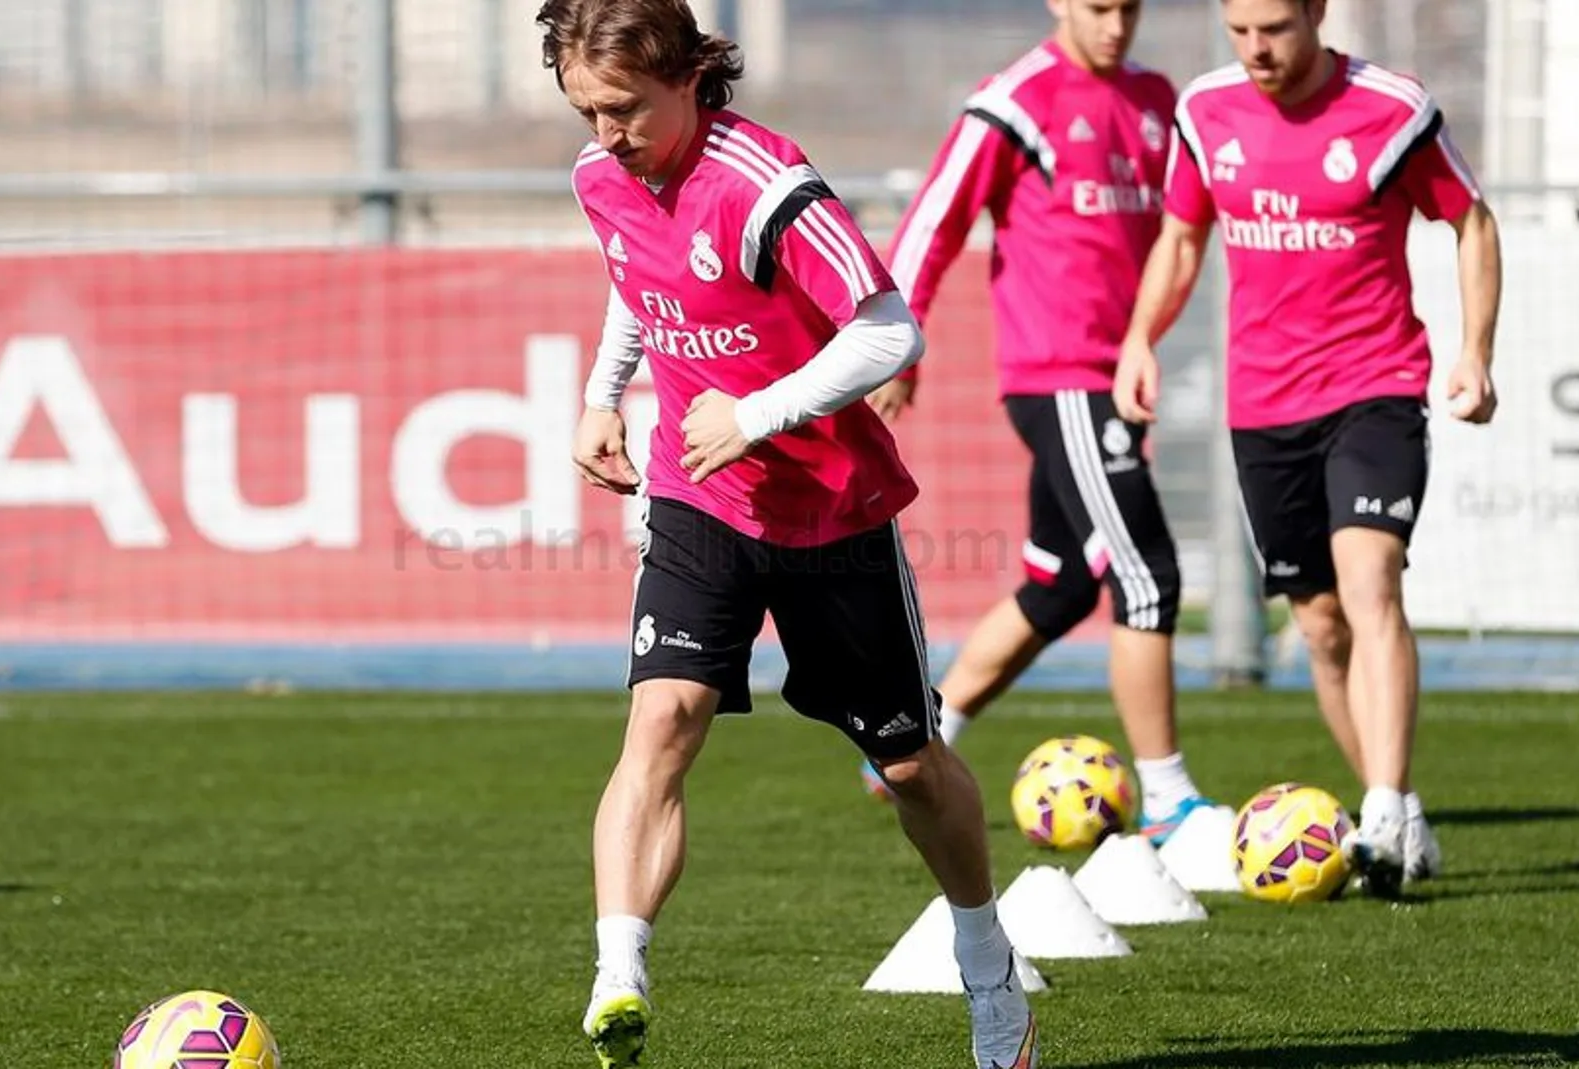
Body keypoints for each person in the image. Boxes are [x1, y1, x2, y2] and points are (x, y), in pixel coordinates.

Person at [536, 2, 1038, 1066]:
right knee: (663, 717)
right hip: (695, 497)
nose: (606, 135)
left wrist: (758, 411)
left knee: (907, 766)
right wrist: (601, 395)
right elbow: (639, 282)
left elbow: (888, 327)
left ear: (688, 77)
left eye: (625, 109)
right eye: (586, 112)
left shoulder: (766, 186)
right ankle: (618, 972)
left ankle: (985, 958)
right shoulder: (600, 178)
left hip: (830, 512)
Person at [1114, 0, 1502, 897]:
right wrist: (1142, 338)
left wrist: (1474, 351)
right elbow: (1182, 237)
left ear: (1319, 14)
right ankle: (1400, 814)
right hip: (1264, 409)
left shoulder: (1394, 111)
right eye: (1240, 30)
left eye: (1276, 29)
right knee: (1321, 629)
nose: (1257, 49)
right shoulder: (1206, 113)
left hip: (1375, 390)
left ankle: (1382, 803)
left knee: (1371, 585)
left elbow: (1471, 221)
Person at [865, 0, 1211, 844]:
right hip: (1061, 378)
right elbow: (933, 224)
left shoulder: (1158, 99)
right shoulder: (1013, 103)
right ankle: (1168, 801)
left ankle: (915, 737)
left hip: (1117, 377)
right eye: (1098, 7)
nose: (1116, 24)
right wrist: (898, 352)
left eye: (1129, 8)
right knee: (1148, 575)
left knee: (1061, 585)